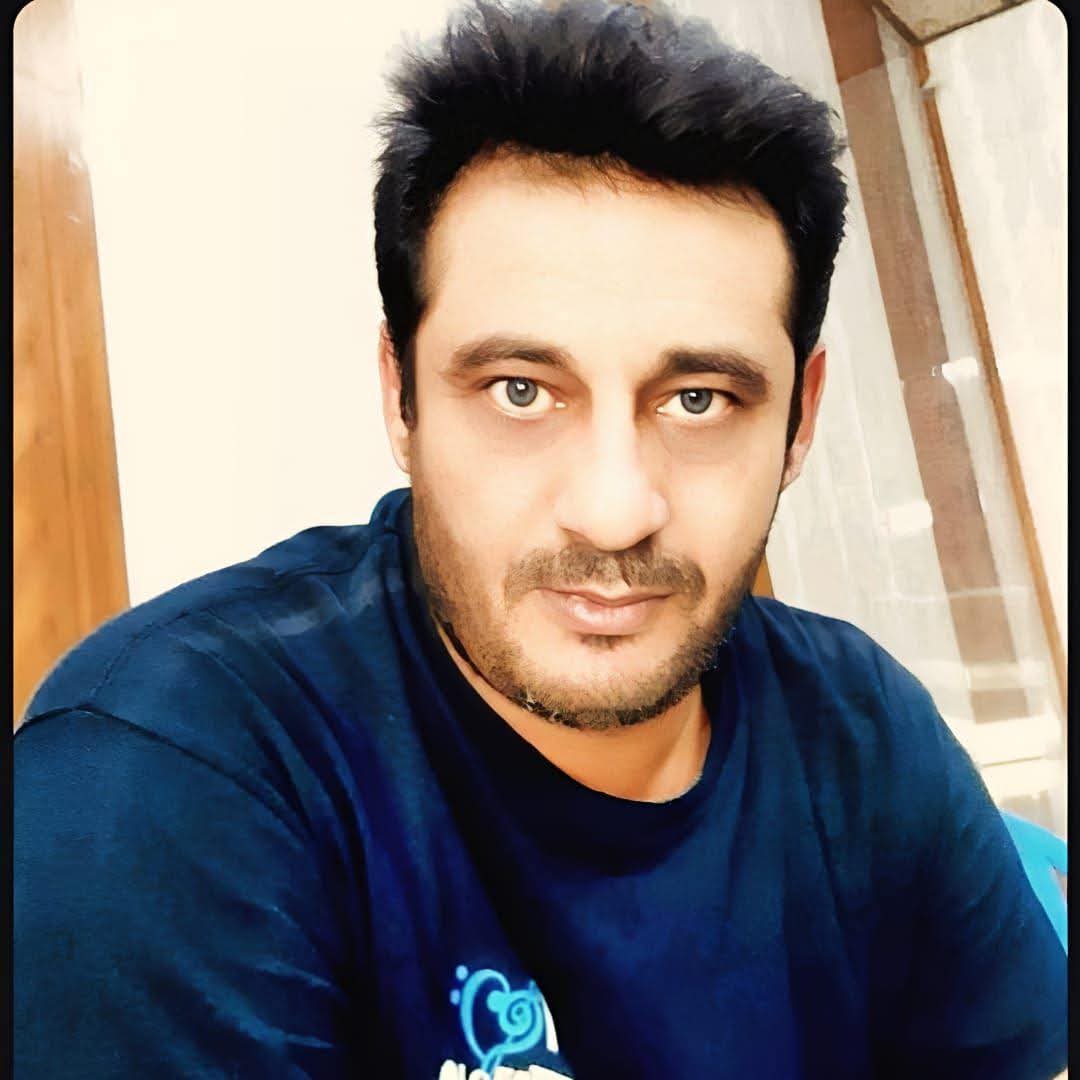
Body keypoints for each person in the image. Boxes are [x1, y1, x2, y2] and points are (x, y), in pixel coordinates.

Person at [14, 0, 1067, 1076]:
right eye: (520, 389)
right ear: (400, 396)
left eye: (698, 400)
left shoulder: (866, 732)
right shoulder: (170, 768)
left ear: (800, 418)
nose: (615, 511)